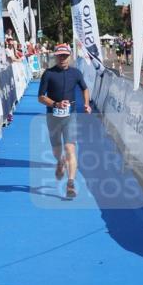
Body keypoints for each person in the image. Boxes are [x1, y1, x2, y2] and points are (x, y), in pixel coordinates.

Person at [38, 43, 91, 199]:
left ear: (69, 56)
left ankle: (70, 183)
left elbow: (84, 89)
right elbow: (41, 97)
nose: (62, 58)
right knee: (57, 151)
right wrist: (55, 104)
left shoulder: (76, 73)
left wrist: (86, 104)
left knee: (70, 149)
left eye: (65, 56)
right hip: (52, 116)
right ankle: (60, 161)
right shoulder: (48, 74)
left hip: (70, 115)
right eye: (59, 55)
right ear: (55, 56)